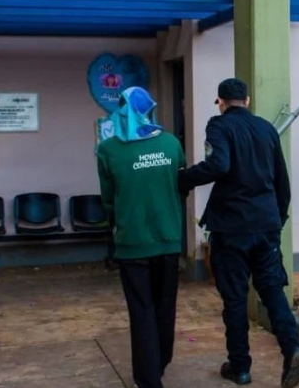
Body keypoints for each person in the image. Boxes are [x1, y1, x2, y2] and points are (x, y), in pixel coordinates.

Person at [179, 78, 299, 388]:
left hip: (231, 228)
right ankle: (292, 349)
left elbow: (218, 164)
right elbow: (282, 182)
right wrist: (277, 219)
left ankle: (241, 368)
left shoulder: (219, 126)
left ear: (220, 102)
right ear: (247, 100)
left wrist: (183, 178)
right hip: (266, 225)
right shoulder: (266, 129)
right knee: (272, 290)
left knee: (235, 300)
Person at [96, 86, 186, 388]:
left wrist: (117, 225)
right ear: (148, 109)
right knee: (164, 307)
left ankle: (148, 379)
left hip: (132, 244)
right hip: (168, 240)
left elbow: (108, 199)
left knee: (142, 311)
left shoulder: (108, 149)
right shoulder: (171, 143)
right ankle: (159, 364)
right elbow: (180, 185)